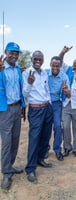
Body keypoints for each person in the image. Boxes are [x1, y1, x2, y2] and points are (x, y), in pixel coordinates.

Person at [23, 50, 53, 183]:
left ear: (43, 60)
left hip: (47, 108)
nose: (38, 60)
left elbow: (46, 90)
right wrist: (29, 83)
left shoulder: (44, 72)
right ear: (32, 59)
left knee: (45, 136)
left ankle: (40, 159)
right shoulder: (26, 73)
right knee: (34, 138)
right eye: (35, 58)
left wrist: (50, 104)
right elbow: (24, 93)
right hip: (35, 110)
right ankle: (30, 169)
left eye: (40, 59)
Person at [0, 42, 26, 190]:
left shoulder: (18, 70)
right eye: (11, 52)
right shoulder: (1, 69)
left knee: (15, 139)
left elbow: (20, 88)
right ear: (6, 52)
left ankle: (10, 166)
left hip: (17, 108)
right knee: (6, 142)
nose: (14, 55)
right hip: (5, 110)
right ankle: (6, 173)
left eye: (16, 53)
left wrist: (23, 107)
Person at [46, 56, 70, 161]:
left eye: (58, 65)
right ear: (50, 64)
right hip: (45, 103)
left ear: (60, 66)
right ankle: (45, 149)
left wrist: (66, 90)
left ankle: (57, 149)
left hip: (56, 104)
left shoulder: (63, 76)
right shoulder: (44, 73)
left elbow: (69, 95)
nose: (55, 67)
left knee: (57, 126)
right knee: (45, 127)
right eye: (53, 65)